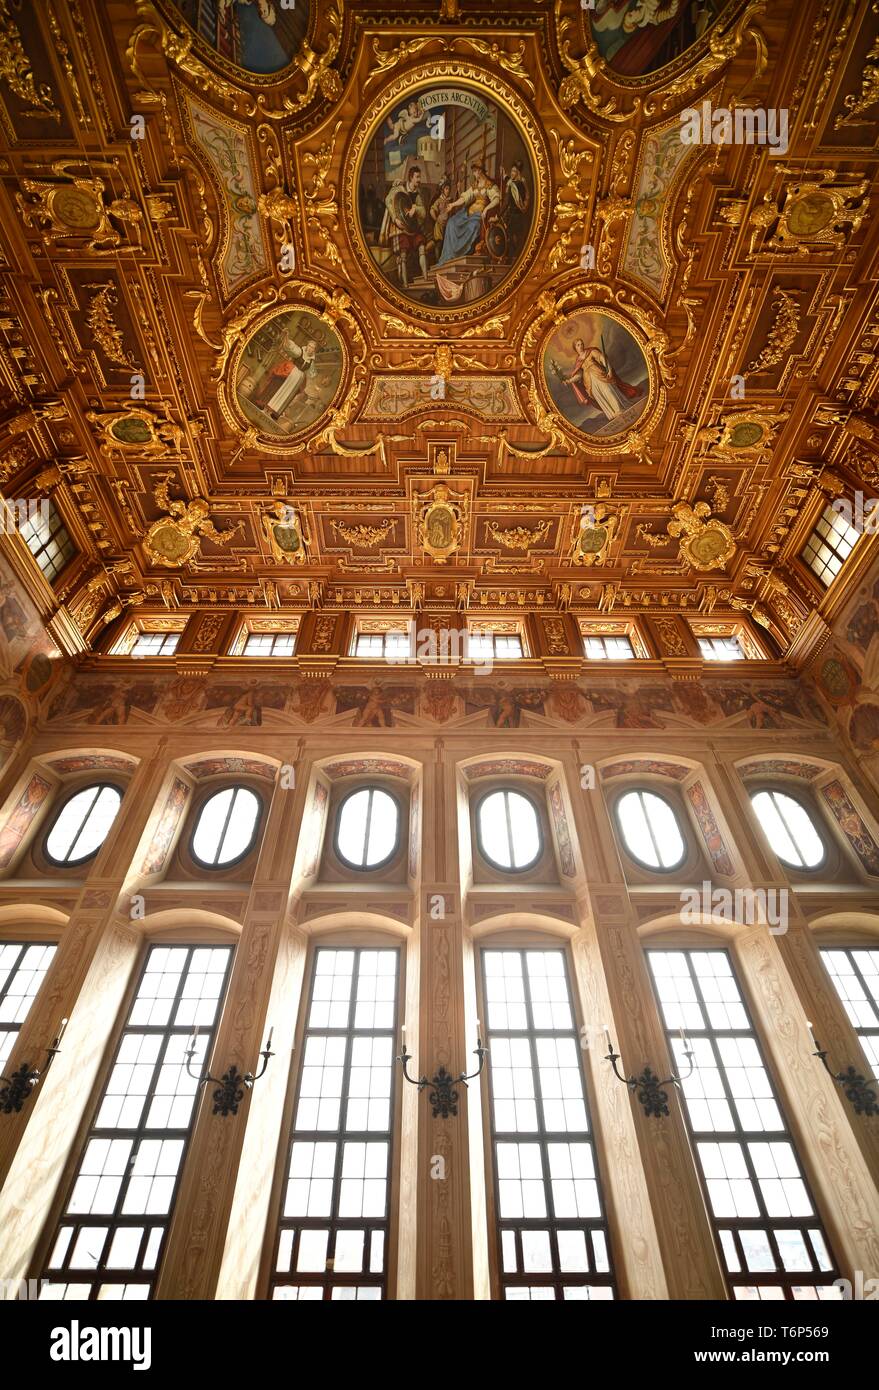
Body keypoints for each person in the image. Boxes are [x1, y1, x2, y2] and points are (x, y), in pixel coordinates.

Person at [562, 334, 641, 422]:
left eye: (581, 344)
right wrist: (569, 381)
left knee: (608, 391)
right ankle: (612, 414)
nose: (581, 346)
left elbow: (602, 358)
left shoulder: (591, 352)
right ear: (575, 348)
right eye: (578, 345)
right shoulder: (578, 362)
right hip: (590, 383)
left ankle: (619, 409)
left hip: (599, 375)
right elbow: (579, 375)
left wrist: (609, 370)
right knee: (601, 396)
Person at [438, 163, 500, 265]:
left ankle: (459, 253)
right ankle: (450, 254)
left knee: (473, 226)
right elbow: (465, 197)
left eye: (475, 171)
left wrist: (486, 209)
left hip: (478, 215)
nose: (474, 174)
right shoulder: (475, 185)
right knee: (451, 222)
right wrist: (453, 204)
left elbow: (496, 199)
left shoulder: (490, 185)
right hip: (467, 213)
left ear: (480, 171)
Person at [381, 165, 429, 286]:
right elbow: (388, 200)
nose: (419, 179)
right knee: (402, 254)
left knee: (422, 246)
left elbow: (423, 213)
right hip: (400, 227)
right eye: (417, 177)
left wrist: (415, 209)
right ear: (411, 178)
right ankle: (405, 284)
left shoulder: (417, 194)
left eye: (420, 177)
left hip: (412, 228)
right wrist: (395, 218)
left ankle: (425, 278)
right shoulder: (399, 188)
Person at [259, 338, 318, 420]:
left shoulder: (311, 362)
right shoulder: (300, 351)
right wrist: (286, 339)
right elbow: (290, 347)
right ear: (307, 346)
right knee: (276, 388)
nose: (310, 348)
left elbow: (312, 374)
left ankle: (272, 413)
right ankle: (265, 408)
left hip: (296, 380)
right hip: (288, 373)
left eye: (312, 348)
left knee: (285, 396)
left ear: (314, 350)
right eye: (309, 346)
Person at [502, 161, 530, 258]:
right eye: (511, 171)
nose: (512, 173)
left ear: (518, 172)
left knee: (510, 239)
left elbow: (506, 202)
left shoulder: (513, 185)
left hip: (513, 216)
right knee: (518, 239)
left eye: (514, 171)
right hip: (520, 216)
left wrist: (499, 215)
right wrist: (505, 176)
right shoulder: (522, 182)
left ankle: (511, 259)